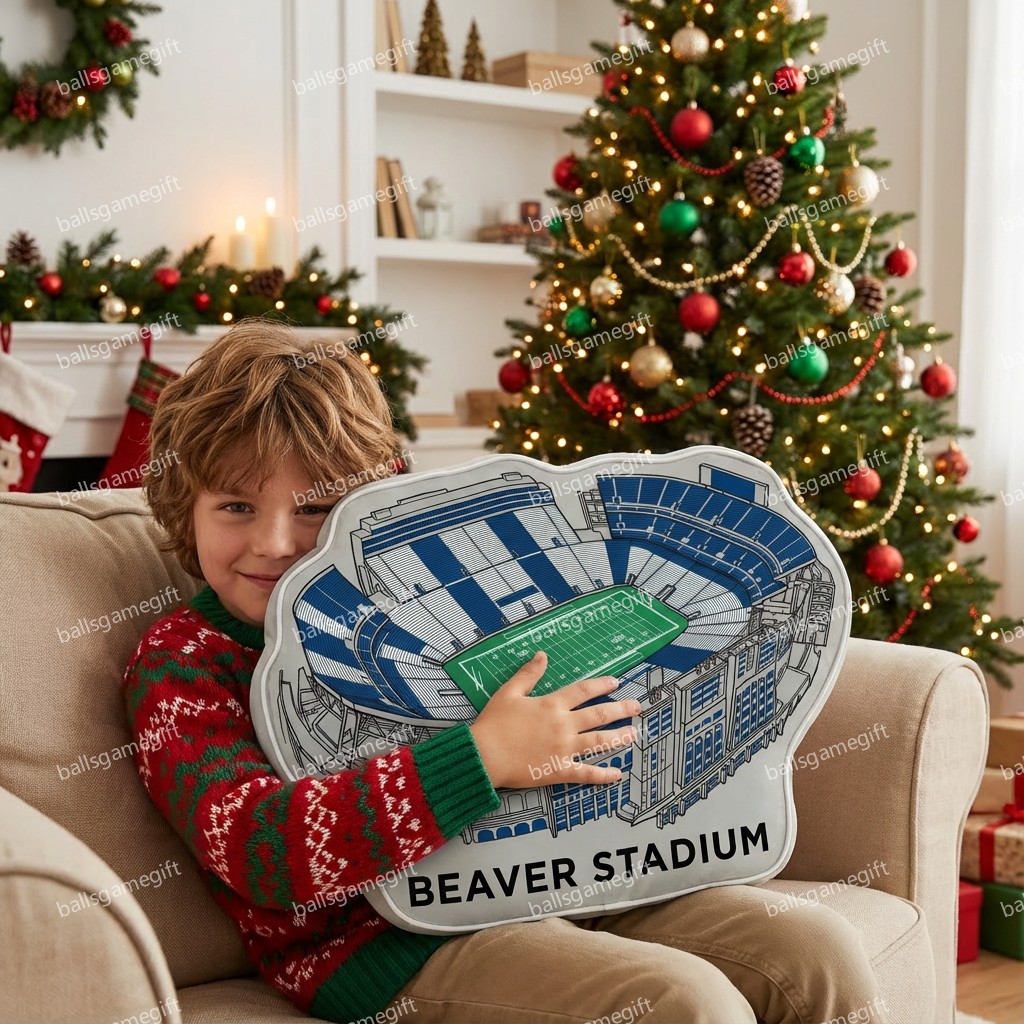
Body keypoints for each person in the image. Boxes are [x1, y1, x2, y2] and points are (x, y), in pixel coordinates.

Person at [125, 318, 890, 1024]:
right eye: (235, 508)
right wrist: (483, 757)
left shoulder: (424, 610)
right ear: (182, 507)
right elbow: (265, 852)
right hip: (390, 947)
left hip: (571, 879)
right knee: (681, 1004)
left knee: (816, 951)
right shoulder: (179, 666)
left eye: (318, 509)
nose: (276, 544)